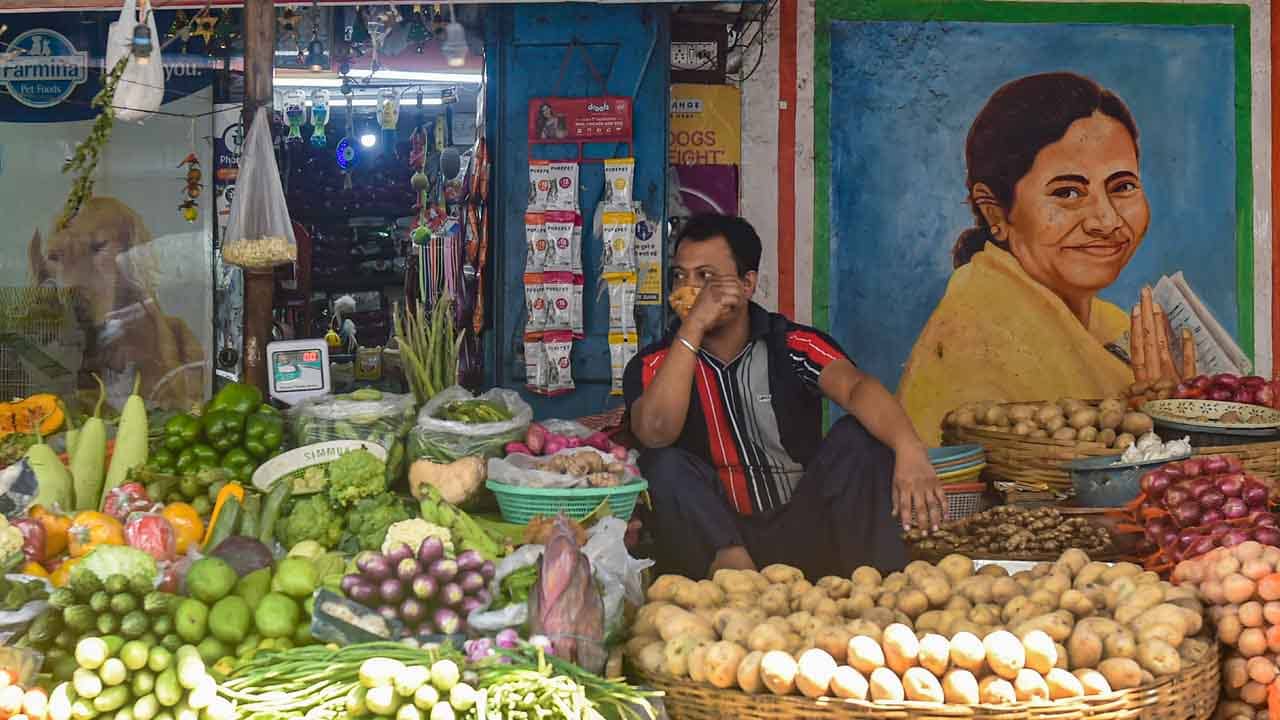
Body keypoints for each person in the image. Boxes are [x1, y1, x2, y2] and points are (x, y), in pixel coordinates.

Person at [624, 214, 943, 581]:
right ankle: (743, 587)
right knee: (661, 463)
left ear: (747, 284)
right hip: (716, 540)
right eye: (680, 276)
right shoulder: (655, 363)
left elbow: (855, 388)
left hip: (802, 528)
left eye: (706, 277)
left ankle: (877, 588)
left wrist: (909, 448)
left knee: (859, 439)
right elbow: (655, 432)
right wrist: (692, 327)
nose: (690, 289)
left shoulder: (792, 345)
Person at [898, 72, 1150, 445]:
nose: (1107, 221)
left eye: (1123, 186)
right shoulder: (973, 346)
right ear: (996, 213)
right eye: (1068, 192)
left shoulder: (1111, 325)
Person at [28, 197, 205, 410]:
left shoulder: (173, 335)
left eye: (98, 247)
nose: (77, 274)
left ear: (131, 248)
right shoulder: (60, 335)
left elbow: (182, 405)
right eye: (59, 257)